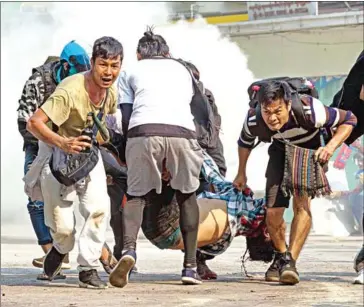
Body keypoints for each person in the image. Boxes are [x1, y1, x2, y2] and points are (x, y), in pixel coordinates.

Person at [233, 80, 357, 285]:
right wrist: (241, 174)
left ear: (288, 105)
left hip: (309, 149)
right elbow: (244, 143)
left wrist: (330, 147)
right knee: (272, 211)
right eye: (267, 112)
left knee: (301, 203)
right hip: (280, 150)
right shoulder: (254, 119)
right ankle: (282, 256)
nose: (272, 118)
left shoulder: (311, 109)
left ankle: (290, 261)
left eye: (278, 111)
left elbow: (349, 119)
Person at [24, 36, 123, 289]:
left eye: (115, 65)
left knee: (99, 210)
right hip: (57, 155)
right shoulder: (70, 89)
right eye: (103, 65)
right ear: (92, 63)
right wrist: (63, 143)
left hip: (89, 157)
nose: (109, 72)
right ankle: (59, 248)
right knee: (63, 227)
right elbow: (33, 123)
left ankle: (88, 269)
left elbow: (103, 128)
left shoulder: (111, 92)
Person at [109, 28, 204, 288]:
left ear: (139, 54)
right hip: (182, 132)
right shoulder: (183, 69)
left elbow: (126, 116)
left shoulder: (131, 71)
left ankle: (128, 250)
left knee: (137, 195)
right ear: (167, 53)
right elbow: (198, 107)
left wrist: (131, 148)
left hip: (143, 130)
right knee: (187, 195)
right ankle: (190, 267)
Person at [99, 150, 273, 269]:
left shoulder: (251, 216)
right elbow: (213, 174)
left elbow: (275, 201)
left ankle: (94, 152)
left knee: (146, 165)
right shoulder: (229, 232)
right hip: (161, 232)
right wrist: (191, 146)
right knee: (133, 175)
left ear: (266, 233)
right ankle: (95, 242)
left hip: (170, 224)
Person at [17, 41, 91, 279]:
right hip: (39, 144)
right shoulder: (39, 82)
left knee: (88, 198)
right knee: (36, 199)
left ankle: (97, 256)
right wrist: (50, 140)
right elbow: (24, 120)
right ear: (64, 66)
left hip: (75, 144)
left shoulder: (86, 81)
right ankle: (52, 254)